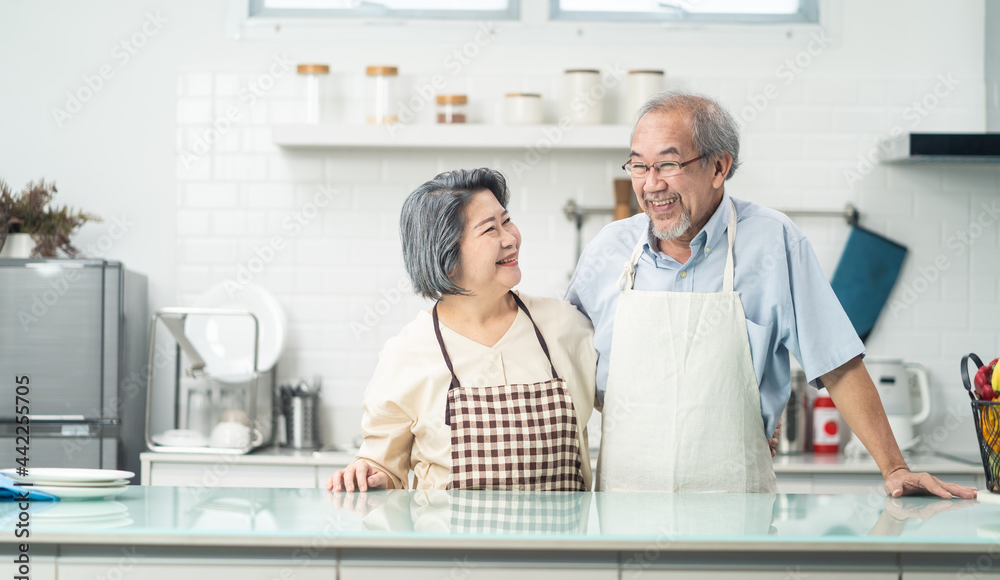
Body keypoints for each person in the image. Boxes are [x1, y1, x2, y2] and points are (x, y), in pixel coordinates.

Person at [566, 90, 976, 498]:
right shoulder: (610, 249)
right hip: (625, 509)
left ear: (718, 167)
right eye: (639, 166)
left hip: (736, 509)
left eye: (668, 164)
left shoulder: (773, 242)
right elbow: (562, 364)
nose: (651, 184)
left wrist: (895, 467)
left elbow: (838, 364)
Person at [327, 168, 597, 492]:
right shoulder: (407, 354)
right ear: (447, 257)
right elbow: (383, 467)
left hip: (562, 545)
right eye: (490, 230)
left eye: (507, 221)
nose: (510, 238)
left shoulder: (568, 327)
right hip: (453, 545)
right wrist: (368, 476)